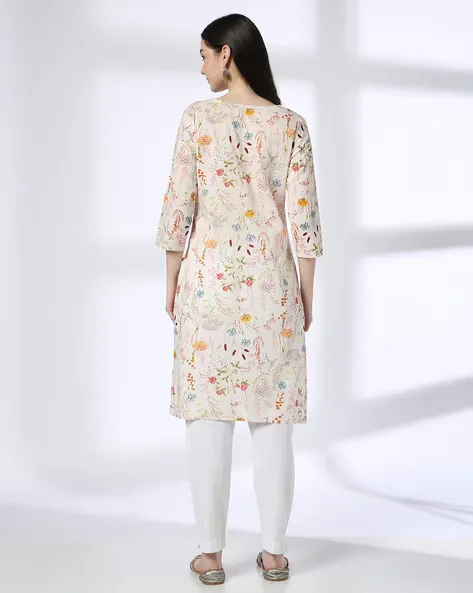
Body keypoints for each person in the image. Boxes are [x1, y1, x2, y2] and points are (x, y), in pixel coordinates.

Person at [155, 13, 323, 586]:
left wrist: (171, 280)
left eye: (204, 55)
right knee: (274, 426)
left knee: (208, 423)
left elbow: (178, 208)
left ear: (227, 54)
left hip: (208, 289)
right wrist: (305, 296)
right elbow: (305, 222)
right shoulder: (291, 126)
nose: (201, 66)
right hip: (273, 291)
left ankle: (209, 556)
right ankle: (274, 554)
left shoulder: (198, 119)